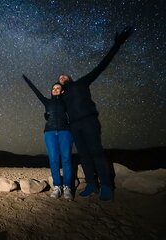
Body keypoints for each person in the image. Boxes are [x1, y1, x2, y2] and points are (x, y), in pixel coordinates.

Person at [57, 26, 133, 201]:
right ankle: (91, 184)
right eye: (59, 78)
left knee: (96, 152)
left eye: (64, 76)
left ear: (69, 78)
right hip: (74, 126)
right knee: (83, 155)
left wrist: (116, 46)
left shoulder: (82, 82)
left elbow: (101, 66)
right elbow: (55, 109)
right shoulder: (62, 96)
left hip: (89, 121)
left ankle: (106, 185)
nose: (61, 77)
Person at [22, 74, 73, 200]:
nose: (55, 90)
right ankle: (57, 187)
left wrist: (66, 82)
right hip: (49, 132)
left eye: (58, 88)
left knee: (66, 159)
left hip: (65, 131)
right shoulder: (47, 101)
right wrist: (28, 81)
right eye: (53, 88)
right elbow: (36, 92)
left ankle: (67, 187)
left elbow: (73, 92)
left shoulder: (67, 101)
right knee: (53, 159)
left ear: (62, 91)